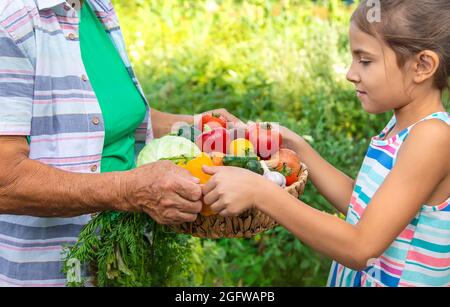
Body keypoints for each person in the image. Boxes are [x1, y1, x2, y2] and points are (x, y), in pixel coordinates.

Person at [202, 0, 450, 287]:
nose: (350, 73)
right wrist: (297, 146)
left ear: (422, 66)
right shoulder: (401, 127)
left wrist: (261, 193)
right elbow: (363, 208)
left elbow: (361, 247)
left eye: (365, 60)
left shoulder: (433, 137)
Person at [0, 0, 239, 286]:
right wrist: (128, 190)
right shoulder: (12, 22)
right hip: (52, 270)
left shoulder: (97, 8)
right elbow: (6, 180)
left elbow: (114, 118)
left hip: (123, 258)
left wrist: (195, 127)